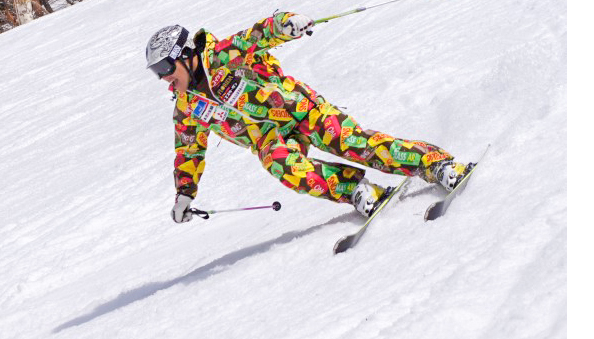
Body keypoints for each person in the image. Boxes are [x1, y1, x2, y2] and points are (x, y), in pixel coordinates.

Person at [147, 12, 474, 223]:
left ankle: (436, 164)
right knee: (282, 164)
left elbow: (257, 36)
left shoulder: (223, 56)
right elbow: (189, 151)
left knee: (352, 143)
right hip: (269, 139)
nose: (163, 78)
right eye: (156, 73)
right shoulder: (187, 107)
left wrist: (286, 24)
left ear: (185, 57)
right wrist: (185, 193)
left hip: (298, 109)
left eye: (164, 68)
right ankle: (359, 190)